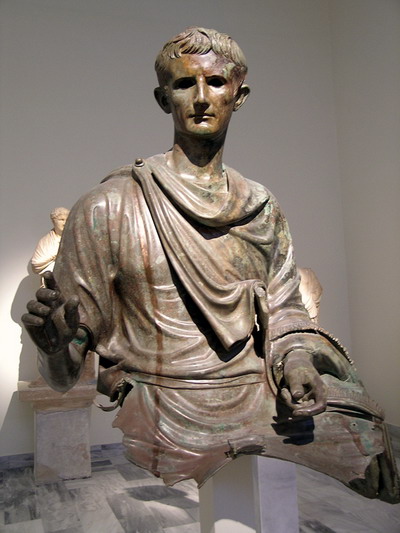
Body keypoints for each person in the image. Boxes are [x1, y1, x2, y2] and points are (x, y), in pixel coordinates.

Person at [22, 27, 398, 502]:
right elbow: (63, 375)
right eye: (185, 84)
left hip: (260, 385)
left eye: (216, 82)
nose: (201, 98)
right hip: (166, 398)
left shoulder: (262, 207)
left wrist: (298, 360)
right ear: (164, 99)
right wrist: (55, 350)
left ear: (239, 96)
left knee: (368, 434)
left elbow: (286, 308)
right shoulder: (108, 208)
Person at [31, 207, 70, 286]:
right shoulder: (45, 241)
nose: (65, 223)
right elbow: (36, 264)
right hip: (51, 283)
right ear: (53, 221)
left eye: (67, 220)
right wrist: (55, 255)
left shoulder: (74, 239)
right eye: (61, 220)